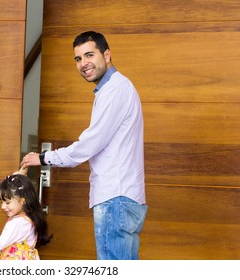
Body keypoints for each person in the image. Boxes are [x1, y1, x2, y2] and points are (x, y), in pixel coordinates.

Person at [21, 31, 147, 260]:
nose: (83, 63)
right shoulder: (117, 88)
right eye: (78, 59)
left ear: (106, 55)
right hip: (125, 197)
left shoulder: (114, 90)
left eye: (89, 55)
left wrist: (43, 158)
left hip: (114, 197)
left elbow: (89, 144)